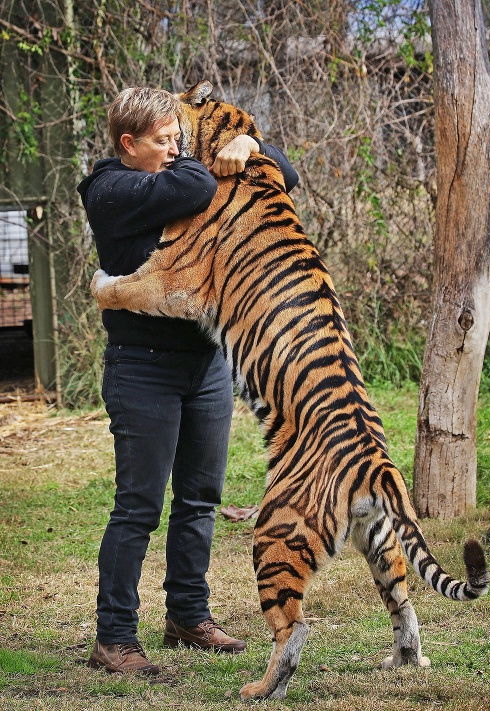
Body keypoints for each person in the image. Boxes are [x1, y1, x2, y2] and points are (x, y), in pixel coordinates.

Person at [77, 86, 299, 674]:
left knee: (200, 500)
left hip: (206, 366)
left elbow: (288, 172)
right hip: (142, 366)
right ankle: (115, 638)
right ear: (128, 144)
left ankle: (187, 615)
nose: (176, 149)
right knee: (138, 507)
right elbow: (200, 185)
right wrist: (225, 155)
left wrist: (250, 142)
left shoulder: (168, 168)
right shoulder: (111, 188)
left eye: (180, 136)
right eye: (163, 140)